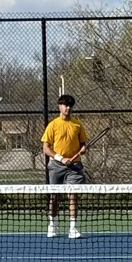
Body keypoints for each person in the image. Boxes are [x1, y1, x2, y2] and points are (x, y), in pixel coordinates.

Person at [41, 94, 88, 238]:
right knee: (54, 196)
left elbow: (83, 143)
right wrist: (61, 159)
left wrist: (83, 148)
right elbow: (46, 148)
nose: (67, 108)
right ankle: (52, 225)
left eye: (69, 105)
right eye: (64, 105)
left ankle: (73, 228)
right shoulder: (53, 125)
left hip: (74, 166)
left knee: (73, 195)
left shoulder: (77, 125)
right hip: (56, 166)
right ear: (59, 106)